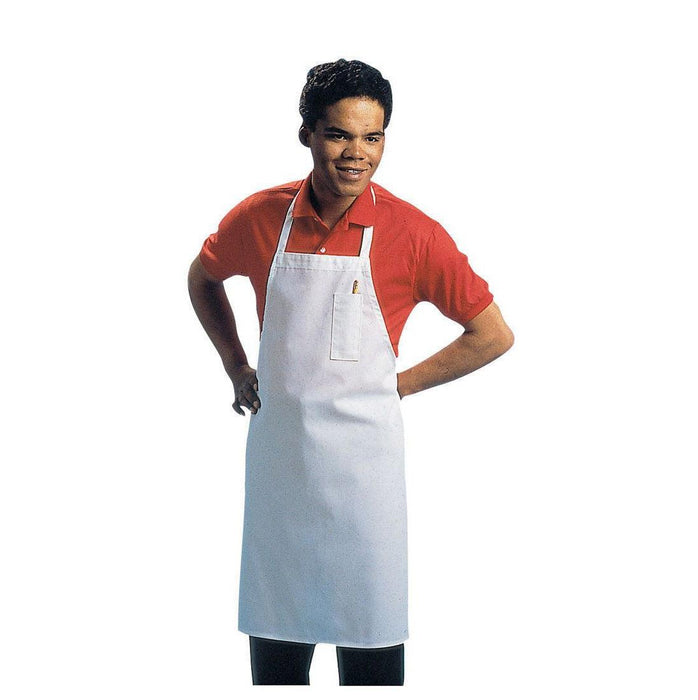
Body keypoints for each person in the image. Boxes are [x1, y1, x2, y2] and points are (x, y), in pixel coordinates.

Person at [188, 59, 514, 686]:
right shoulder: (260, 218)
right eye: (338, 134)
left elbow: (492, 334)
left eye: (373, 137)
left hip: (365, 477)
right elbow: (202, 278)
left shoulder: (414, 233)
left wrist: (397, 385)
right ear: (306, 133)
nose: (356, 154)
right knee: (277, 651)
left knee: (370, 645)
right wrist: (234, 363)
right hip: (282, 468)